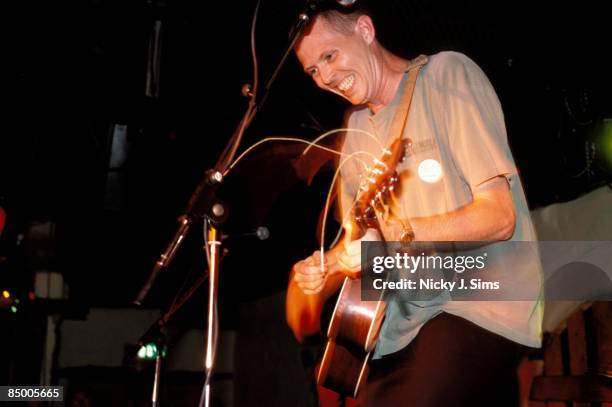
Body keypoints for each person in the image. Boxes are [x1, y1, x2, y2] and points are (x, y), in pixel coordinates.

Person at [285, 7, 543, 407]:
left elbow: (500, 217)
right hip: (401, 326)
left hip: (478, 303)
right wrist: (330, 266)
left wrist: (401, 232)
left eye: (330, 56)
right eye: (313, 71)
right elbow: (362, 243)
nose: (326, 77)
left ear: (365, 29)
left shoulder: (445, 77)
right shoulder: (353, 129)